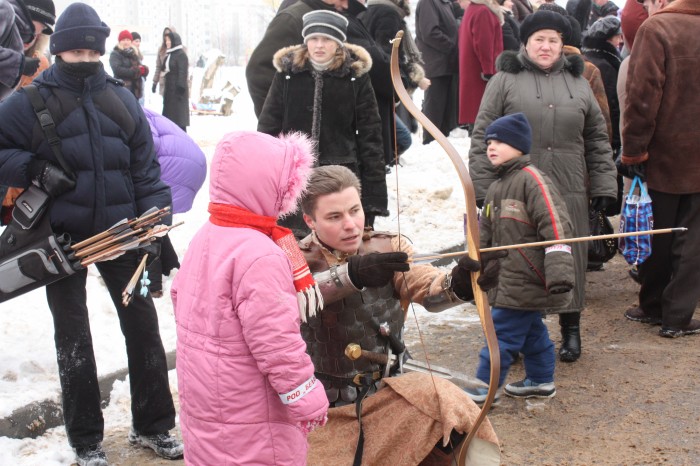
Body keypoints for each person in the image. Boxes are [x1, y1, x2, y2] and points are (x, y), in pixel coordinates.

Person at [0, 4, 182, 465]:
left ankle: (153, 426)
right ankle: (85, 441)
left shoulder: (121, 100)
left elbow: (145, 169)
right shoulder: (30, 100)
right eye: (75, 51)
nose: (84, 59)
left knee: (143, 326)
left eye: (91, 52)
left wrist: (155, 224)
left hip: (122, 233)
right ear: (60, 49)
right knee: (73, 338)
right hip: (60, 240)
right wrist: (35, 169)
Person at [298, 164, 504, 464]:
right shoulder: (291, 259)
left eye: (355, 210)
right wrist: (350, 275)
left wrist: (458, 283)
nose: (351, 225)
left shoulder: (386, 246)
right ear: (309, 220)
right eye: (334, 217)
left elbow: (424, 285)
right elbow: (289, 301)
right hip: (321, 407)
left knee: (452, 421)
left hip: (388, 389)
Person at [171, 130, 329, 465]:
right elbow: (276, 341)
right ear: (267, 185)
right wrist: (306, 397)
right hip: (251, 410)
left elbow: (180, 298)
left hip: (208, 398)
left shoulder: (207, 235)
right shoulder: (260, 254)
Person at [469, 10, 617, 363]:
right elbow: (482, 135)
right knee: (519, 261)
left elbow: (597, 138)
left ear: (563, 45)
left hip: (569, 186)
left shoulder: (579, 82)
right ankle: (519, 333)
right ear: (526, 43)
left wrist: (603, 185)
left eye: (553, 40)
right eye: (539, 40)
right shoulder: (504, 80)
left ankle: (571, 328)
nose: (546, 46)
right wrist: (484, 187)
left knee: (568, 255)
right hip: (515, 190)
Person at [464, 112, 574, 404]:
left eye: (499, 141)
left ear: (518, 145)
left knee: (499, 336)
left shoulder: (532, 180)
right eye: (489, 142)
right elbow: (485, 233)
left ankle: (484, 389)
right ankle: (540, 379)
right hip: (506, 278)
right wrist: (477, 263)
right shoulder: (496, 187)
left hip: (527, 277)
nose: (491, 146)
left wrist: (559, 272)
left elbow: (555, 225)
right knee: (530, 333)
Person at [257, 10, 387, 238]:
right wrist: (266, 179)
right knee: (292, 241)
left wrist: (373, 196)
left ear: (338, 43)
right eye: (313, 38)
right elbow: (268, 128)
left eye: (326, 38)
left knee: (337, 238)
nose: (319, 45)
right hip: (294, 176)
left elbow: (370, 135)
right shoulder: (288, 74)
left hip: (339, 175)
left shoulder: (355, 76)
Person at [620, 0, 700, 337]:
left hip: (664, 153)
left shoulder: (658, 27)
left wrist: (633, 152)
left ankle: (652, 306)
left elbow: (642, 96)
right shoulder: (660, 27)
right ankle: (677, 316)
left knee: (657, 232)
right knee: (693, 240)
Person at [142, 108, 207, 297]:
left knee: (147, 221)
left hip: (174, 163)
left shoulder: (120, 109)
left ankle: (152, 286)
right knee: (155, 221)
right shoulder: (124, 104)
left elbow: (149, 143)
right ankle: (171, 267)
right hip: (186, 159)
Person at [582, 16, 623, 215]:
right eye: (617, 37)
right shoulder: (606, 63)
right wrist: (616, 140)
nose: (620, 41)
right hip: (605, 133)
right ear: (608, 39)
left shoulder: (589, 58)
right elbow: (611, 103)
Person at [415, 0, 460, 144]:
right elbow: (430, 33)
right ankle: (430, 144)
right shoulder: (428, 2)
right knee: (434, 113)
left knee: (445, 117)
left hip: (447, 65)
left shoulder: (445, 3)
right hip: (436, 66)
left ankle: (442, 146)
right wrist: (452, 46)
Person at [457, 0, 504, 132]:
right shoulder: (482, 11)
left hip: (473, 72)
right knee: (484, 118)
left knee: (477, 119)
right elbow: (483, 43)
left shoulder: (473, 9)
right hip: (482, 75)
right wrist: (488, 70)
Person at [0, 0, 55, 101]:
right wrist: (19, 64)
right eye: (43, 25)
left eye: (38, 35)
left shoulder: (40, 63)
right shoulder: (5, 11)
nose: (41, 31)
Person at [161, 31, 189, 132]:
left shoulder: (181, 55)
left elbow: (182, 73)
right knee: (169, 119)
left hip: (178, 93)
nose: (167, 42)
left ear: (175, 41)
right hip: (169, 91)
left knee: (178, 119)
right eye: (166, 40)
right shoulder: (170, 54)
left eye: (169, 40)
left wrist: (180, 89)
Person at [109, 30, 147, 101]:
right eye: (123, 40)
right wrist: (135, 71)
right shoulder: (115, 54)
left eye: (128, 40)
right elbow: (117, 70)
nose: (126, 42)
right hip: (122, 88)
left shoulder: (134, 53)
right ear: (119, 41)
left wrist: (144, 70)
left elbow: (139, 66)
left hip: (135, 89)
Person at [151, 26, 173, 96]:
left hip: (175, 83)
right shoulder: (161, 50)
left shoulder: (179, 50)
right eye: (165, 35)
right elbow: (158, 67)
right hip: (164, 82)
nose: (167, 37)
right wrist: (155, 82)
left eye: (169, 34)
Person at [130, 31, 145, 105]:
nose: (138, 43)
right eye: (136, 41)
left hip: (140, 82)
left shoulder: (138, 53)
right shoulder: (131, 52)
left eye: (139, 41)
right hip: (135, 83)